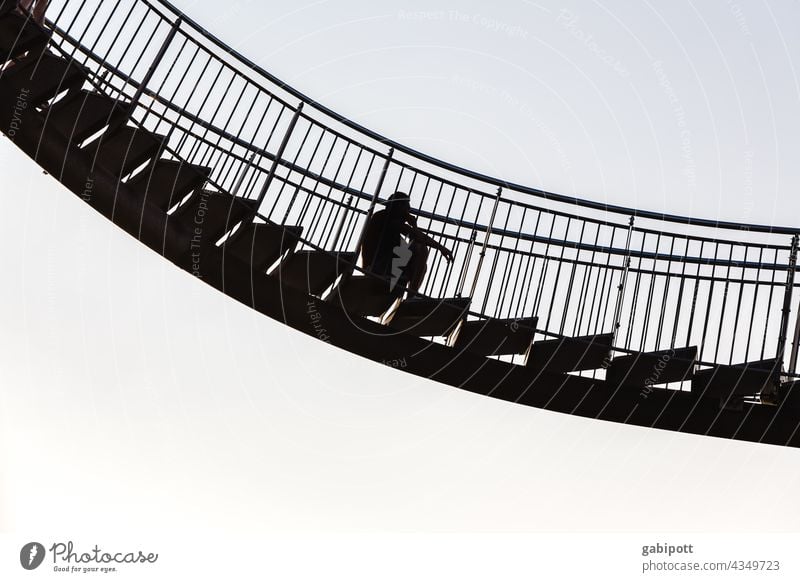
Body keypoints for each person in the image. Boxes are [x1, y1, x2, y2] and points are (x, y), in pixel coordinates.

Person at [359, 191, 453, 295]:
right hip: (377, 269)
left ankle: (411, 294)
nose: (409, 208)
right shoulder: (384, 217)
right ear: (398, 206)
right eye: (407, 204)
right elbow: (417, 236)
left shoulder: (387, 221)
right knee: (420, 248)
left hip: (384, 266)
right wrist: (440, 247)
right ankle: (411, 295)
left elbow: (414, 236)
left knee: (421, 264)